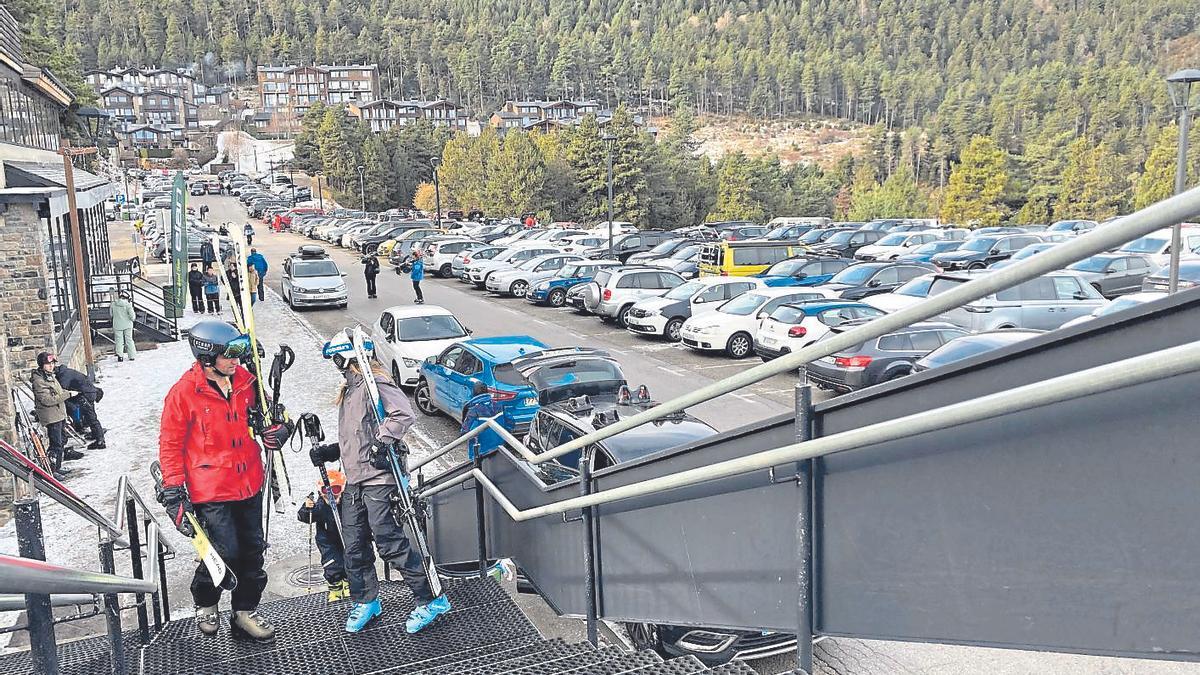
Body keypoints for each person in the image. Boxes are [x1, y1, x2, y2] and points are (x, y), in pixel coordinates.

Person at [308, 329, 450, 634]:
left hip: (379, 479)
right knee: (354, 545)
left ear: (347, 357)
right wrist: (331, 451)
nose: (335, 365)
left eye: (336, 358)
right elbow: (356, 436)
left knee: (389, 543)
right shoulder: (349, 391)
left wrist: (381, 442)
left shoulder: (377, 384)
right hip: (355, 481)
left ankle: (430, 599)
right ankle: (367, 600)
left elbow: (403, 415)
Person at [156, 321, 291, 642]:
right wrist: (173, 492)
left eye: (240, 353)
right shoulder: (184, 392)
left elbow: (276, 414)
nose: (236, 361)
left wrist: (280, 429)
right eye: (229, 355)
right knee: (223, 552)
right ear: (206, 356)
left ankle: (244, 611)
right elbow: (170, 445)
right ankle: (206, 601)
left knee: (253, 551)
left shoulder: (247, 381)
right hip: (211, 489)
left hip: (249, 482)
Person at [296, 472, 350, 602]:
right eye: (326, 490)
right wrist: (306, 509)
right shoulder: (320, 506)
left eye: (336, 489)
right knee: (332, 565)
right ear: (320, 492)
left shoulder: (348, 504)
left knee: (351, 562)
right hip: (327, 541)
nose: (331, 494)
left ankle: (349, 585)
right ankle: (335, 589)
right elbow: (304, 517)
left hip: (347, 538)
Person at [30, 352, 82, 474]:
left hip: (59, 413)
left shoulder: (50, 376)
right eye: (48, 364)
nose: (51, 366)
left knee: (62, 440)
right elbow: (47, 400)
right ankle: (52, 470)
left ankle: (57, 466)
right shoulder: (39, 381)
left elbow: (58, 391)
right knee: (56, 444)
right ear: (42, 365)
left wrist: (67, 392)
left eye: (52, 364)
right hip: (51, 416)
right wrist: (67, 395)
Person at [55, 364, 106, 450]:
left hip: (85, 395)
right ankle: (95, 435)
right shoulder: (66, 372)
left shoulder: (64, 376)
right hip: (88, 393)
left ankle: (100, 441)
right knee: (90, 416)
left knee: (91, 418)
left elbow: (62, 391)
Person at [459, 382, 504, 459]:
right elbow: (510, 422)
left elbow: (465, 431)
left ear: (474, 393)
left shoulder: (473, 411)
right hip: (499, 447)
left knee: (480, 470)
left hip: (480, 452)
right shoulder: (499, 405)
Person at [111, 291, 138, 362]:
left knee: (119, 341)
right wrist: (132, 319)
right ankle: (131, 356)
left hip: (117, 325)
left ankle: (120, 356)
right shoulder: (128, 305)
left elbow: (111, 314)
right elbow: (132, 317)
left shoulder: (113, 304)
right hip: (128, 325)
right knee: (129, 340)